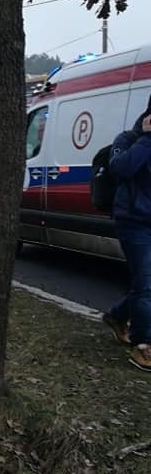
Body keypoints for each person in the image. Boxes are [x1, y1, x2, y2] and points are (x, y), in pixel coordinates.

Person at [103, 101, 151, 371]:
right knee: (146, 285)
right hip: (134, 222)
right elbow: (120, 169)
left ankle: (117, 315)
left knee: (146, 284)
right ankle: (143, 346)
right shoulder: (129, 139)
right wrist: (146, 139)